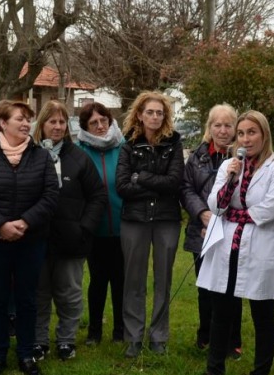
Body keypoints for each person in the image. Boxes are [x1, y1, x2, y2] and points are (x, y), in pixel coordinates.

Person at [186, 110, 274, 375]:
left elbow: (268, 211)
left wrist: (234, 214)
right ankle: (214, 373)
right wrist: (230, 177)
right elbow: (215, 205)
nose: (246, 138)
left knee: (262, 315)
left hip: (259, 250)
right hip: (227, 247)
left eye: (251, 132)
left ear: (264, 134)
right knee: (221, 312)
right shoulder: (231, 166)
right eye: (241, 133)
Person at [0, 100, 59, 375]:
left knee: (27, 299)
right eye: (19, 118)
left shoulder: (41, 156)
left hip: (30, 240)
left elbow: (51, 195)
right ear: (1, 123)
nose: (25, 124)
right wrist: (0, 225)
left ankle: (26, 354)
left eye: (28, 119)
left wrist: (25, 221)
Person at [32, 100, 106, 361]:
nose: (57, 126)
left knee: (69, 294)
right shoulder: (30, 154)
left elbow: (97, 196)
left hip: (71, 240)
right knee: (39, 294)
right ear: (41, 124)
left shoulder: (79, 158)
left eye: (62, 122)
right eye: (52, 121)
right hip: (37, 240)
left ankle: (66, 340)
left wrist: (83, 228)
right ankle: (39, 340)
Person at [115, 91, 184, 358]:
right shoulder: (128, 145)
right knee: (134, 280)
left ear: (165, 116)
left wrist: (141, 176)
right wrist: (157, 185)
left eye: (159, 112)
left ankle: (158, 336)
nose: (155, 117)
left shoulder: (174, 144)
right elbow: (122, 187)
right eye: (150, 112)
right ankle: (133, 336)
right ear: (140, 115)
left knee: (163, 279)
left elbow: (174, 183)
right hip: (135, 220)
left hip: (167, 219)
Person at [181, 104, 243, 357]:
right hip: (202, 230)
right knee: (205, 287)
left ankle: (232, 340)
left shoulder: (243, 156)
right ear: (210, 127)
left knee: (232, 287)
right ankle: (206, 335)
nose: (223, 130)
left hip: (232, 229)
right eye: (217, 125)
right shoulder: (197, 156)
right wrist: (202, 213)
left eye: (228, 125)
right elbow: (186, 189)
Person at [76, 102, 125, 345]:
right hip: (93, 228)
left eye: (103, 120)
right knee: (97, 280)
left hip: (123, 226)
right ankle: (94, 331)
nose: (99, 126)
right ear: (84, 126)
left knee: (120, 280)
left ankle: (120, 330)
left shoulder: (123, 147)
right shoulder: (79, 151)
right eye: (93, 122)